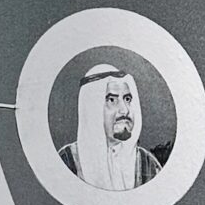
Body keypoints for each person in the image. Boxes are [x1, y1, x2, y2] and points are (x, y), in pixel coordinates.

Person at [59, 60, 166, 191]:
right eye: (112, 100)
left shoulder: (147, 163)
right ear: (93, 108)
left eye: (127, 99)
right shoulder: (66, 161)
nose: (125, 110)